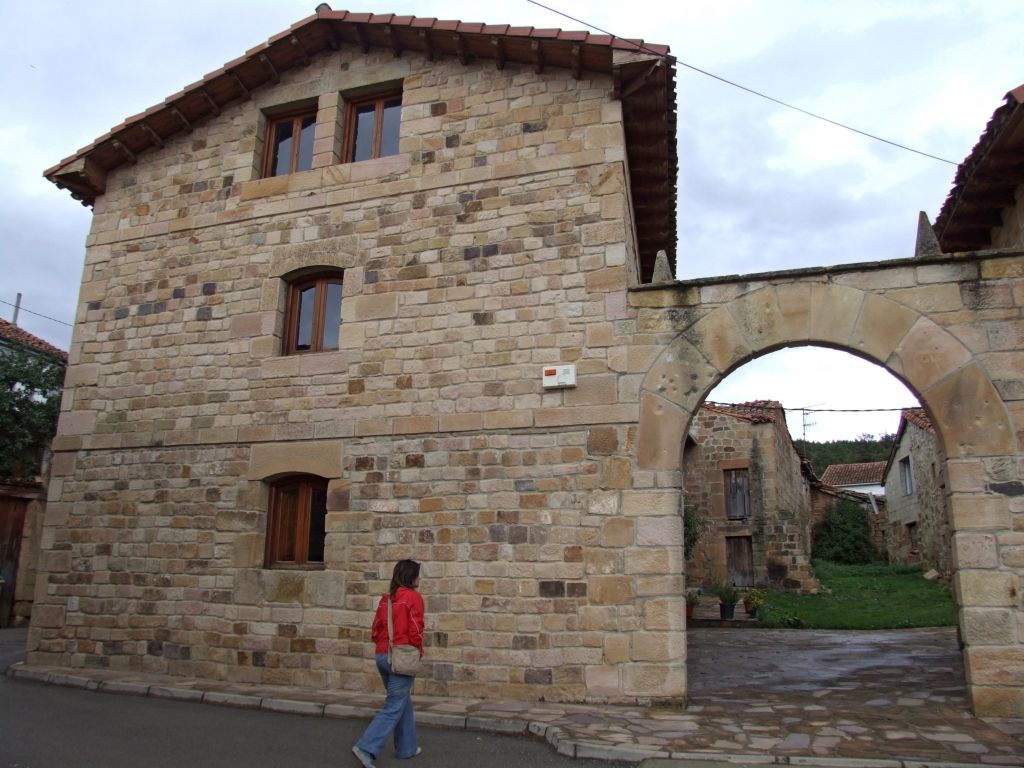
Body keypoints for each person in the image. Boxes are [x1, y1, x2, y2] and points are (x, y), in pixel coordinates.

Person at [352, 559, 424, 768]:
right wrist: (417, 650)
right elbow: (416, 630)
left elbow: (376, 628)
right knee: (394, 705)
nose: (419, 578)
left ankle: (407, 748)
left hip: (382, 654)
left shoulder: (386, 599)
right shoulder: (413, 598)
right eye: (417, 574)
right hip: (400, 657)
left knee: (402, 701)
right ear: (410, 576)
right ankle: (366, 748)